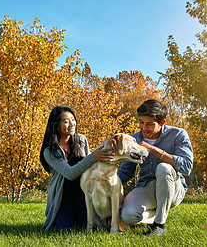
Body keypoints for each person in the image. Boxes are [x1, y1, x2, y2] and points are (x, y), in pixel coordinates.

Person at [117, 99, 193, 236]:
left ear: (162, 122)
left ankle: (159, 225)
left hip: (173, 188)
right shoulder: (134, 139)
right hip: (147, 185)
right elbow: (125, 172)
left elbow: (187, 167)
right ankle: (155, 216)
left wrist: (155, 150)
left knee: (164, 168)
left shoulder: (178, 134)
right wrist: (105, 186)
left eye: (150, 124)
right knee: (128, 216)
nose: (144, 128)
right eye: (141, 122)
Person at [40, 105, 115, 232]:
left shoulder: (81, 140)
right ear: (56, 126)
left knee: (90, 226)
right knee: (65, 230)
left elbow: (90, 166)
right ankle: (58, 217)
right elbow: (69, 173)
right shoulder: (50, 151)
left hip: (83, 194)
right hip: (63, 197)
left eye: (73, 119)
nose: (71, 124)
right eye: (66, 121)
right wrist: (93, 157)